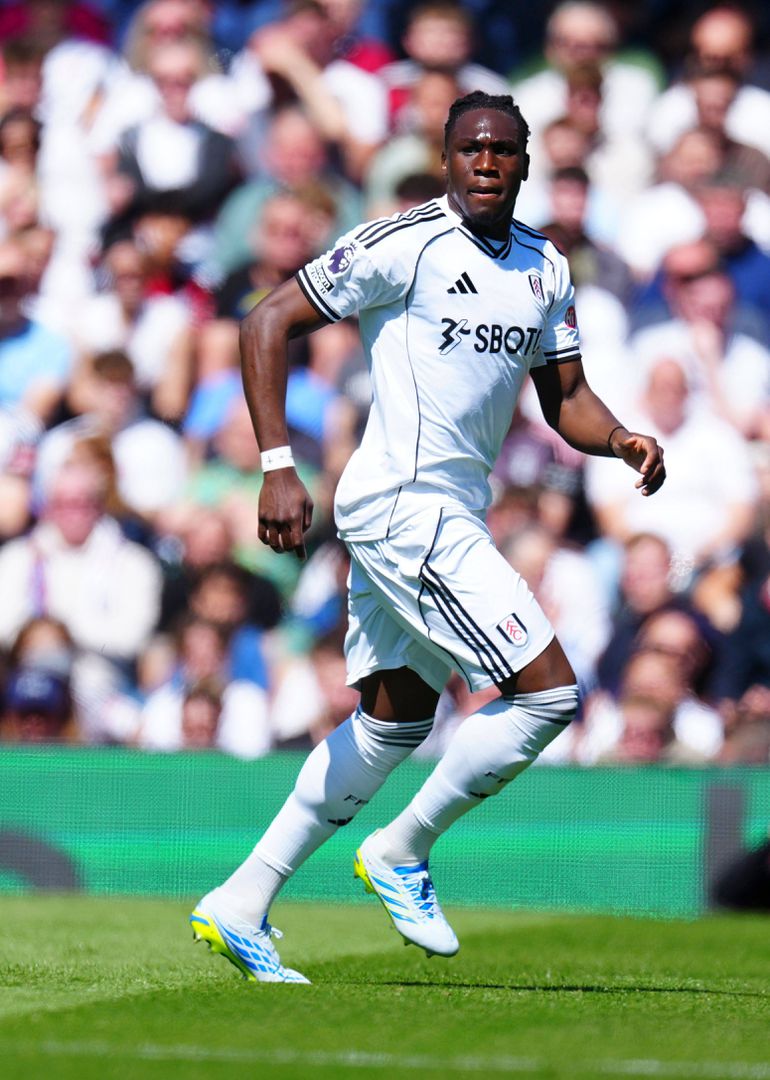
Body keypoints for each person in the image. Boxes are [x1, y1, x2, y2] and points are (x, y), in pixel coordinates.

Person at [189, 91, 665, 984]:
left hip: (450, 510)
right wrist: (277, 465)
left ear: (524, 165)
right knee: (549, 695)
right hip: (402, 504)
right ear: (446, 159)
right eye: (470, 147)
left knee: (395, 721)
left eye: (503, 150)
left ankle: (240, 901)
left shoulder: (544, 267)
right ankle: (401, 847)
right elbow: (267, 319)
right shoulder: (402, 243)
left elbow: (566, 396)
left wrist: (620, 437)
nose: (486, 161)